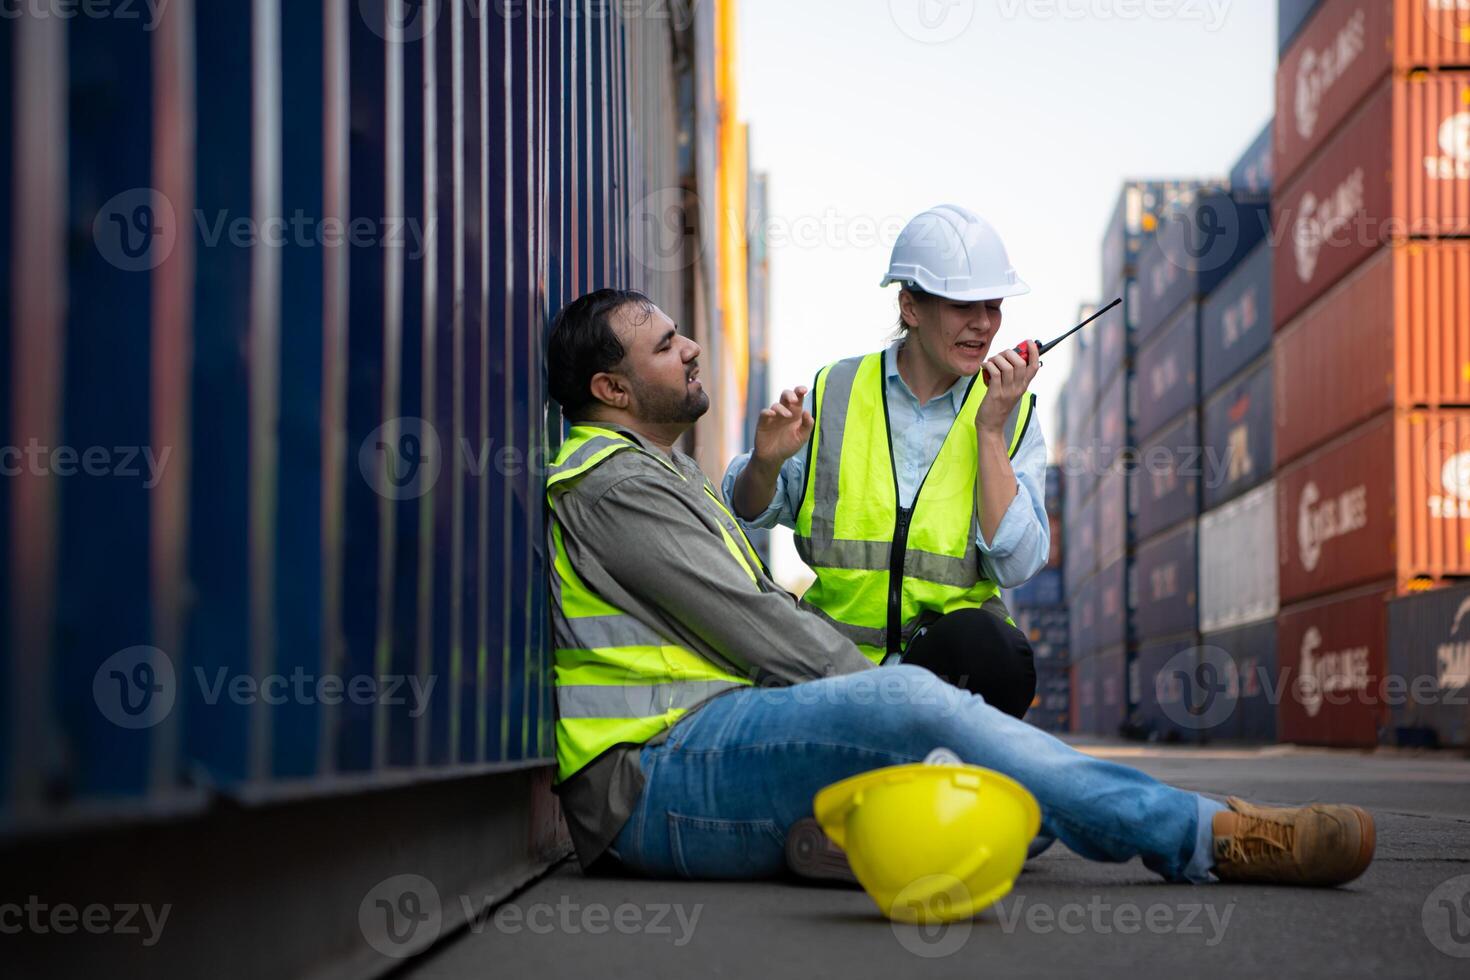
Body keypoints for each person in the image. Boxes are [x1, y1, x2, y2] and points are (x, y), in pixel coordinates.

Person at [544, 286, 1375, 891]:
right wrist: (889, 697)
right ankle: (1207, 836)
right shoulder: (612, 483)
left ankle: (844, 838)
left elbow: (1016, 558)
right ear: (612, 391)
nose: (688, 348)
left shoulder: (657, 470)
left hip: (704, 746)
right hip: (648, 783)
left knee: (996, 788)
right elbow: (757, 626)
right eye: (663, 345)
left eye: (681, 333)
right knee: (927, 722)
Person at [724, 204, 1045, 719]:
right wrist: (764, 463)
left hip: (950, 673)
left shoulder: (1011, 411)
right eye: (964, 305)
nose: (984, 324)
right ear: (911, 308)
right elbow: (747, 507)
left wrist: (989, 430)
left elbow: (1017, 563)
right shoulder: (836, 391)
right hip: (831, 665)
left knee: (999, 653)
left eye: (994, 305)